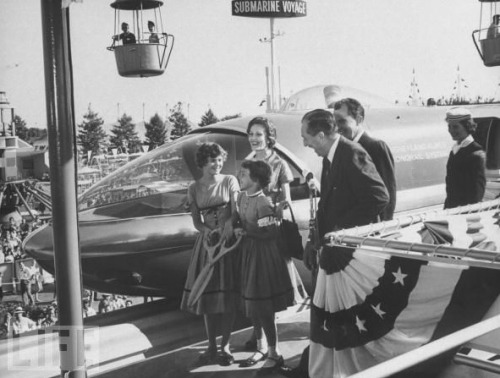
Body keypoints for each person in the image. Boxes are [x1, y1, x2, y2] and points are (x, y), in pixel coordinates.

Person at [280, 109, 389, 378]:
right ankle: (316, 366)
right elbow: (328, 207)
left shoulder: (351, 153)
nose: (304, 143)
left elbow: (379, 197)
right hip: (332, 252)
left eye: (306, 137)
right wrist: (312, 242)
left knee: (337, 314)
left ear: (320, 135)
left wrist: (339, 232)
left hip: (348, 254)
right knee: (326, 312)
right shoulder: (331, 156)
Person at [243, 116, 306, 354]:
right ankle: (257, 336)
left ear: (268, 137)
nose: (254, 139)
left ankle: (268, 343)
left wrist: (268, 215)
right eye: (251, 134)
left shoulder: (279, 163)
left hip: (269, 232)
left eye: (259, 134)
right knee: (252, 285)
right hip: (250, 231)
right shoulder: (247, 162)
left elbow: (286, 201)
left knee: (266, 288)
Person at [180, 142, 240, 366]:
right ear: (203, 162)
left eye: (219, 159)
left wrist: (228, 227)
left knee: (228, 297)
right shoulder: (194, 188)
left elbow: (236, 210)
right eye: (213, 160)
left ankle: (225, 345)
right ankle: (212, 346)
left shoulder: (229, 181)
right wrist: (206, 232)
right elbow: (196, 220)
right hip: (207, 245)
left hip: (227, 242)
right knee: (208, 296)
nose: (217, 164)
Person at [235, 160, 294, 372]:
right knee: (253, 305)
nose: (240, 178)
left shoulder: (262, 202)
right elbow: (239, 221)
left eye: (244, 175)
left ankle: (274, 352)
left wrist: (246, 232)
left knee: (264, 307)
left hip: (263, 257)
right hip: (249, 255)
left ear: (256, 180)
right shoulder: (242, 197)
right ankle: (260, 347)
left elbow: (271, 233)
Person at [332, 97, 397, 220]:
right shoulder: (340, 149)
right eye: (334, 123)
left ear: (358, 119)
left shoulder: (376, 147)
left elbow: (388, 196)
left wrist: (383, 228)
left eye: (342, 121)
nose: (337, 128)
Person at [444, 107, 486, 209]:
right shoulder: (455, 151)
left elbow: (477, 194)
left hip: (465, 214)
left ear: (467, 126)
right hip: (452, 210)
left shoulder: (476, 153)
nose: (451, 130)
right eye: (449, 126)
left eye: (455, 127)